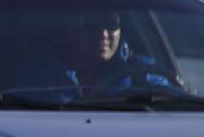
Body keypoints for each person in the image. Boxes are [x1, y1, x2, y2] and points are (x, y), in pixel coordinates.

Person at [14, 9, 176, 97]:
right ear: (72, 33)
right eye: (93, 25)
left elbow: (174, 100)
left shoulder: (142, 74)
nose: (104, 34)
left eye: (112, 25)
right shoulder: (41, 73)